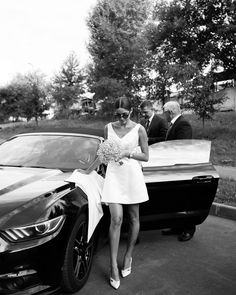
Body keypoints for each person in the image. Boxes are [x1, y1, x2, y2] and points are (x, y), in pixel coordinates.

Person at [101, 96, 149, 289]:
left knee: (134, 218)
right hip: (114, 175)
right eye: (117, 115)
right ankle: (113, 266)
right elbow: (104, 152)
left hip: (132, 175)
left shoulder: (139, 129)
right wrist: (104, 158)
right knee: (116, 219)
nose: (121, 119)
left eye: (124, 115)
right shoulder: (107, 128)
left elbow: (146, 156)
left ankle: (128, 255)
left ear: (131, 112)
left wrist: (127, 153)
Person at [162, 100, 195, 242]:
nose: (163, 115)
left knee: (185, 199)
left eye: (164, 111)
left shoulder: (183, 124)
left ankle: (188, 229)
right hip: (173, 167)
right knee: (175, 198)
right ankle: (176, 226)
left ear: (171, 112)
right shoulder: (174, 124)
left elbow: (183, 146)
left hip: (181, 168)